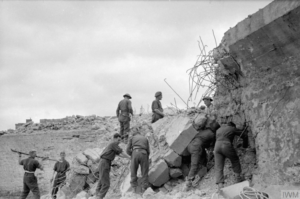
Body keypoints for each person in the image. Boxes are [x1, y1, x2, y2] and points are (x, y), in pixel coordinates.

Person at [214, 122, 248, 191]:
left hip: (216, 147)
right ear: (233, 126)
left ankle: (220, 186)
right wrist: (245, 146)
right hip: (225, 145)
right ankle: (238, 178)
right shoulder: (232, 128)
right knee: (235, 160)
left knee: (218, 166)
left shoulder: (219, 129)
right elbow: (244, 135)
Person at [96, 133, 131, 199]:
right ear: (114, 138)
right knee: (106, 184)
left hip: (104, 162)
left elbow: (120, 155)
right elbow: (122, 152)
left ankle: (96, 194)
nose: (119, 142)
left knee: (101, 180)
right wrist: (129, 157)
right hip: (105, 162)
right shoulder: (113, 144)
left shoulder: (112, 145)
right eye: (118, 140)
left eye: (120, 140)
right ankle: (99, 197)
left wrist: (127, 158)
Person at [126, 126, 150, 194]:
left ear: (134, 132)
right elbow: (148, 151)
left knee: (133, 171)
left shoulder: (132, 138)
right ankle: (144, 189)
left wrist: (132, 155)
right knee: (144, 172)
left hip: (135, 152)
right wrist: (146, 158)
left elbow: (127, 150)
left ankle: (134, 188)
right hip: (144, 153)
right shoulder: (145, 138)